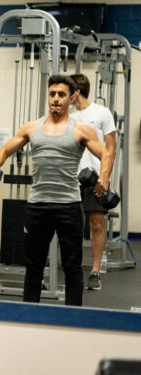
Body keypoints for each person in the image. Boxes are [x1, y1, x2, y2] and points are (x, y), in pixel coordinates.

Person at [0, 74, 110, 306]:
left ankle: (72, 317)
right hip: (38, 205)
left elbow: (105, 153)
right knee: (33, 267)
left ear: (71, 99)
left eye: (61, 95)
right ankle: (30, 315)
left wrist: (104, 177)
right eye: (52, 94)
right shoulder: (32, 127)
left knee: (72, 266)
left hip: (69, 205)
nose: (56, 99)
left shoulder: (81, 129)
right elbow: (3, 151)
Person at [69, 73, 116, 290]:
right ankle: (72, 269)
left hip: (95, 176)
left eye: (67, 91)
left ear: (76, 92)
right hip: (70, 176)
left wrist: (105, 177)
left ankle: (95, 271)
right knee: (69, 225)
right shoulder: (65, 114)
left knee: (96, 224)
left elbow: (111, 148)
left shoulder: (101, 113)